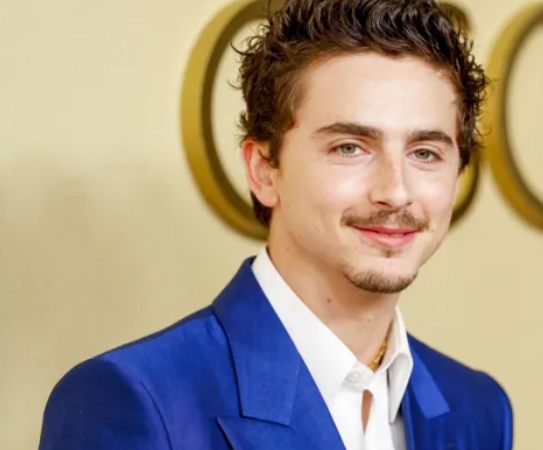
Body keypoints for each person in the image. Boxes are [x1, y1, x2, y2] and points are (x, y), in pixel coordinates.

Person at [38, 0, 513, 448]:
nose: (395, 191)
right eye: (350, 147)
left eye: (425, 153)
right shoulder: (137, 398)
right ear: (264, 171)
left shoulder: (478, 408)